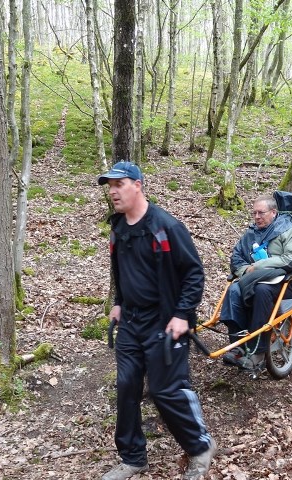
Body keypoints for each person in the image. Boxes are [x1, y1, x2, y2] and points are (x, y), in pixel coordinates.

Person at [98, 161, 216, 480]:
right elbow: (120, 270)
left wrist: (181, 315)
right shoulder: (119, 227)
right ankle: (133, 457)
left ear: (137, 185)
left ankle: (200, 446)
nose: (112, 191)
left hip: (164, 323)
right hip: (131, 324)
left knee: (166, 390)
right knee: (126, 386)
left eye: (118, 185)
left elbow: (194, 273)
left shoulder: (166, 226)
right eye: (109, 186)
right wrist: (119, 303)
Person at [220, 195, 292, 370]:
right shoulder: (251, 233)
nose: (257, 217)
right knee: (234, 290)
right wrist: (246, 271)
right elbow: (236, 257)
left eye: (261, 213)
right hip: (252, 280)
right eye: (254, 213)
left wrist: (259, 266)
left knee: (262, 291)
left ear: (273, 212)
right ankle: (237, 345)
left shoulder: (288, 230)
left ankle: (258, 351)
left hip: (286, 281)